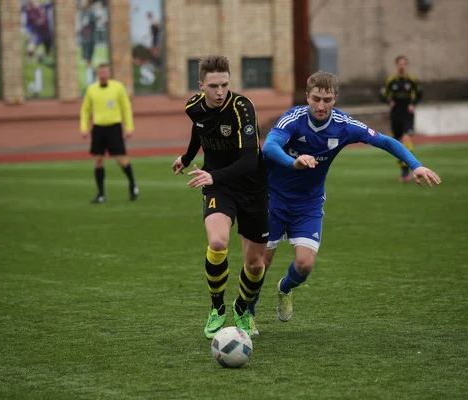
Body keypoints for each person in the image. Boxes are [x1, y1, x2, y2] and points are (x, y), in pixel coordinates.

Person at [249, 71, 440, 329]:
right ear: (307, 97)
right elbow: (270, 147)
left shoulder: (344, 125)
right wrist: (293, 162)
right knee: (262, 262)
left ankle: (284, 288)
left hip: (309, 202)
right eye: (316, 98)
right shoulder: (293, 119)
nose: (320, 105)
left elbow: (384, 141)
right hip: (273, 198)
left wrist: (414, 165)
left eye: (327, 99)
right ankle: (247, 314)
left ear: (334, 99)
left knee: (304, 265)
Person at [171, 55, 268, 339]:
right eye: (213, 86)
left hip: (253, 188)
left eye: (225, 85)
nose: (220, 92)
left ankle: (242, 308)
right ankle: (217, 309)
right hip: (218, 186)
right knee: (217, 241)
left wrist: (214, 175)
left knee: (255, 264)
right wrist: (187, 158)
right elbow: (199, 129)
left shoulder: (242, 108)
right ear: (201, 85)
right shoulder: (193, 107)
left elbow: (250, 161)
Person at [80, 63, 138, 203]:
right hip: (98, 129)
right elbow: (85, 109)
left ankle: (133, 185)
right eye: (100, 73)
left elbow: (126, 107)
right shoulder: (91, 89)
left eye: (105, 73)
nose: (103, 75)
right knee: (98, 160)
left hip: (114, 128)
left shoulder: (118, 87)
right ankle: (101, 194)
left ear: (109, 74)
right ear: (97, 74)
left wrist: (129, 127)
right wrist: (84, 128)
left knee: (121, 160)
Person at [380, 55, 423, 182]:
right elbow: (382, 95)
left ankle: (409, 169)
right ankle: (404, 171)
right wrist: (389, 101)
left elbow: (420, 93)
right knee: (398, 144)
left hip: (407, 115)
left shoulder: (412, 81)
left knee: (406, 138)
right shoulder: (391, 81)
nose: (402, 66)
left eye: (404, 63)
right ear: (396, 65)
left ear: (407, 65)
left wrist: (413, 104)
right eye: (400, 64)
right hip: (395, 115)